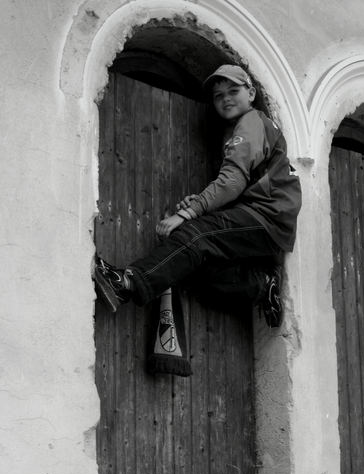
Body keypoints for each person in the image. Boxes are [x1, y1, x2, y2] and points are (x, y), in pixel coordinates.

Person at [94, 64, 302, 327]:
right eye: (218, 95)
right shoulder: (241, 128)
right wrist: (201, 202)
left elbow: (232, 182)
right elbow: (240, 183)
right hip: (266, 221)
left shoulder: (251, 122)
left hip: (267, 215)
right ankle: (261, 285)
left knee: (195, 235)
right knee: (196, 270)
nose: (225, 98)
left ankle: (125, 283)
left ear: (251, 93)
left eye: (233, 90)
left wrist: (188, 213)